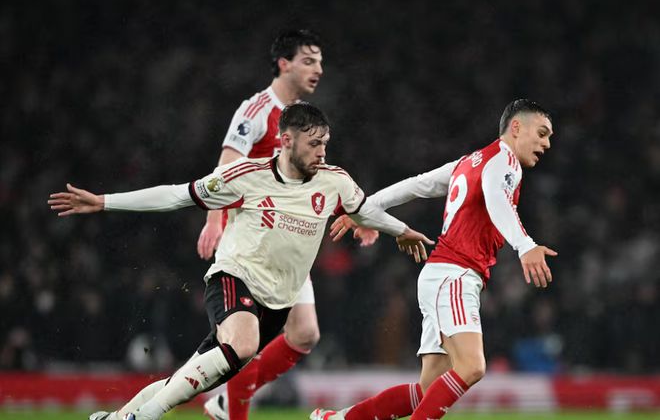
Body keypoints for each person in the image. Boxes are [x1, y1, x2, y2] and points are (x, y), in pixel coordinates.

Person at [48, 102, 433, 420]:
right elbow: (177, 195)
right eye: (314, 144)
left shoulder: (335, 182)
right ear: (286, 140)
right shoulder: (246, 175)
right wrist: (104, 202)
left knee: (187, 381)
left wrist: (400, 230)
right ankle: (144, 418)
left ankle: (117, 418)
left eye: (325, 144)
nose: (322, 152)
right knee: (243, 344)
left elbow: (365, 211)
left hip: (277, 304)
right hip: (235, 278)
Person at [311, 99, 558, 420]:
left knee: (428, 390)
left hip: (441, 276)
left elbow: (418, 184)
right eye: (541, 133)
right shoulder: (504, 161)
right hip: (455, 274)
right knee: (472, 366)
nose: (546, 144)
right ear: (516, 127)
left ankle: (339, 419)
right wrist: (525, 245)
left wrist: (365, 209)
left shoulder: (470, 162)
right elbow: (497, 198)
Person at [194, 28, 376, 420]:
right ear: (283, 64)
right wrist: (213, 220)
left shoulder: (302, 117)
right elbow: (225, 166)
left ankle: (227, 400)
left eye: (320, 61)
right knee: (251, 339)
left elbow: (315, 180)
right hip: (255, 242)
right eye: (309, 61)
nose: (318, 69)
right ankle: (231, 409)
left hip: (289, 240)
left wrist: (354, 214)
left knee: (305, 334)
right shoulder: (256, 110)